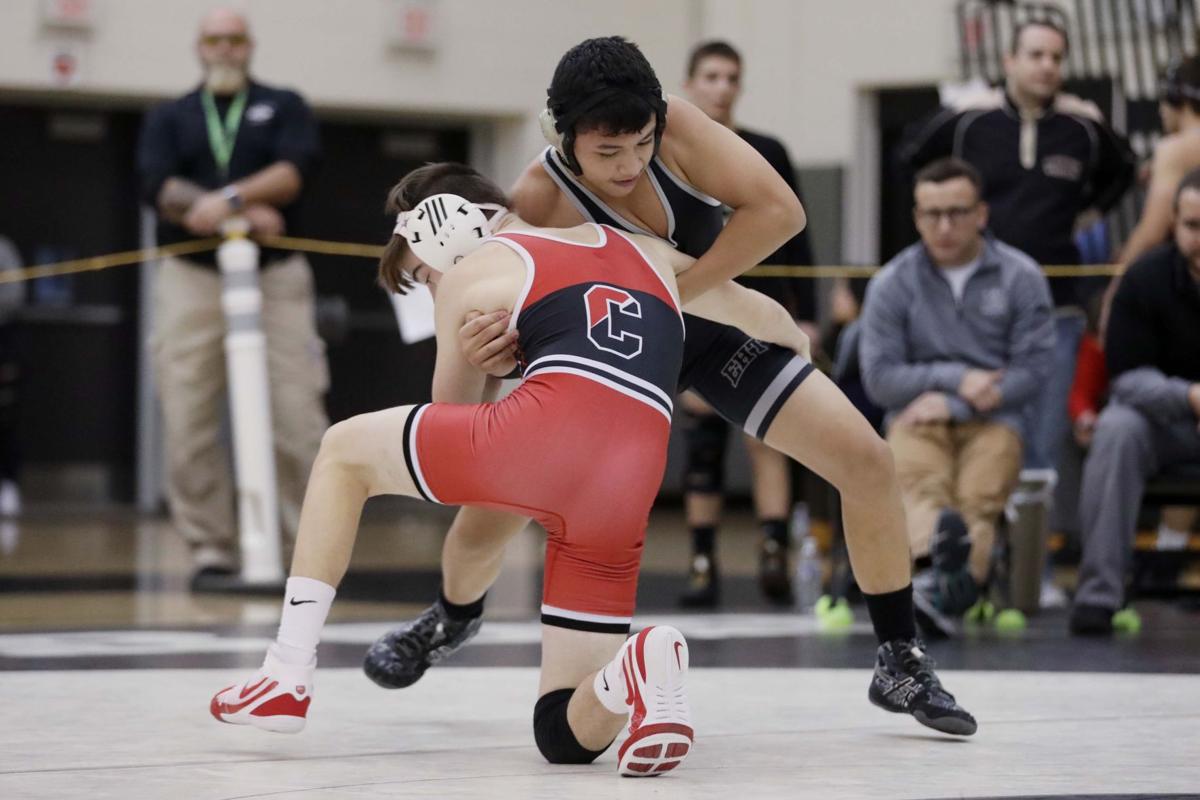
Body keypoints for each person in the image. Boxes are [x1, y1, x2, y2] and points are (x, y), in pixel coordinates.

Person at [366, 36, 977, 737]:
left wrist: (670, 287)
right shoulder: (537, 197)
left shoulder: (680, 128)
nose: (629, 165)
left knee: (867, 460)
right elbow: (524, 321)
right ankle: (453, 615)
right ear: (562, 138)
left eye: (641, 144)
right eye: (607, 152)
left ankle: (899, 658)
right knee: (484, 517)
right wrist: (492, 356)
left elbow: (780, 214)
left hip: (710, 326)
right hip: (613, 361)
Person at [211, 163, 811, 775]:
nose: (434, 290)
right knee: (562, 734)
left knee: (342, 452)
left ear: (441, 233)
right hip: (632, 478)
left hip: (542, 441)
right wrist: (801, 349)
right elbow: (760, 314)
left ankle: (285, 672)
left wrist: (482, 361)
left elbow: (451, 418)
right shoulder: (633, 244)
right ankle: (638, 664)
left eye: (424, 275)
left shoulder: (475, 269)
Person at [136, 7, 329, 588]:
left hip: (275, 276)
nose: (224, 49)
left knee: (299, 413)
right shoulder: (171, 115)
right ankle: (211, 547)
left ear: (250, 46)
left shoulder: (284, 104)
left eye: (234, 39)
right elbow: (158, 185)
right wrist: (241, 205)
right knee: (187, 411)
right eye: (214, 40)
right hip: (190, 276)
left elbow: (295, 170)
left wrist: (222, 202)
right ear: (200, 48)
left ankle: (308, 545)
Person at [904, 19, 1135, 480]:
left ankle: (1035, 554)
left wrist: (1088, 213)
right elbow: (908, 159)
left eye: (1056, 57)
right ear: (1009, 61)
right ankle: (977, 549)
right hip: (976, 309)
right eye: (1035, 55)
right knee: (977, 438)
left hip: (1056, 310)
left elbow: (1125, 169)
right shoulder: (970, 119)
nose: (1047, 66)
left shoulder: (1082, 126)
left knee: (1040, 447)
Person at [859, 158, 1055, 636]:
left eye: (958, 212)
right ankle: (950, 584)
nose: (944, 226)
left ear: (982, 214)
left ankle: (931, 588)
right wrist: (961, 376)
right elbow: (880, 379)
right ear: (916, 216)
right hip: (914, 419)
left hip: (996, 419)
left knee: (979, 495)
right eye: (932, 214)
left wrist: (955, 402)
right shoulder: (892, 283)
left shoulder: (1021, 276)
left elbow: (1034, 370)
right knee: (919, 486)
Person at [674, 39, 820, 607]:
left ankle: (772, 555)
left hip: (762, 312)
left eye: (732, 77)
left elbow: (799, 234)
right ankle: (703, 562)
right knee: (703, 442)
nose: (722, 87)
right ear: (690, 83)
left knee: (771, 435)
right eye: (711, 76)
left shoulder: (767, 149)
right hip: (700, 312)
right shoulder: (670, 152)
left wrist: (808, 312)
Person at [1070, 167, 1200, 636]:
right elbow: (1125, 378)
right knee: (1117, 426)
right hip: (1167, 423)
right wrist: (1188, 397)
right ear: (1173, 223)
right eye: (1192, 226)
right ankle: (1098, 595)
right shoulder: (1143, 279)